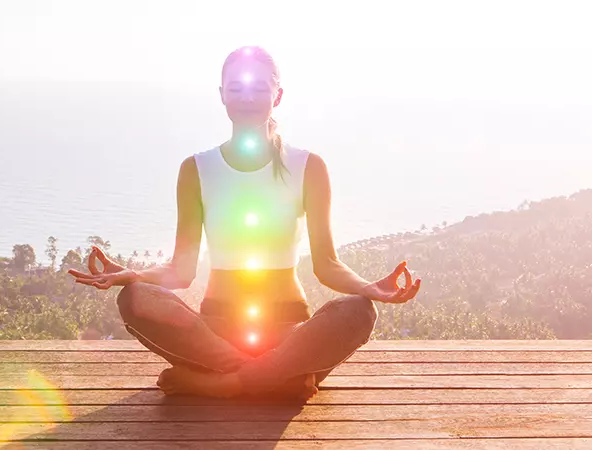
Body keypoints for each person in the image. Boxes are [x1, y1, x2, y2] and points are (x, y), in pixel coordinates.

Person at [69, 45, 421, 401]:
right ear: (222, 95)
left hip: (289, 332)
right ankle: (278, 379)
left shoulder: (308, 167)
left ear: (277, 95)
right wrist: (134, 276)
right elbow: (181, 271)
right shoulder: (196, 169)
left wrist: (369, 288)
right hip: (215, 334)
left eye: (258, 88)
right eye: (236, 88)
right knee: (136, 299)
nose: (247, 97)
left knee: (359, 310)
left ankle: (224, 383)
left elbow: (327, 266)